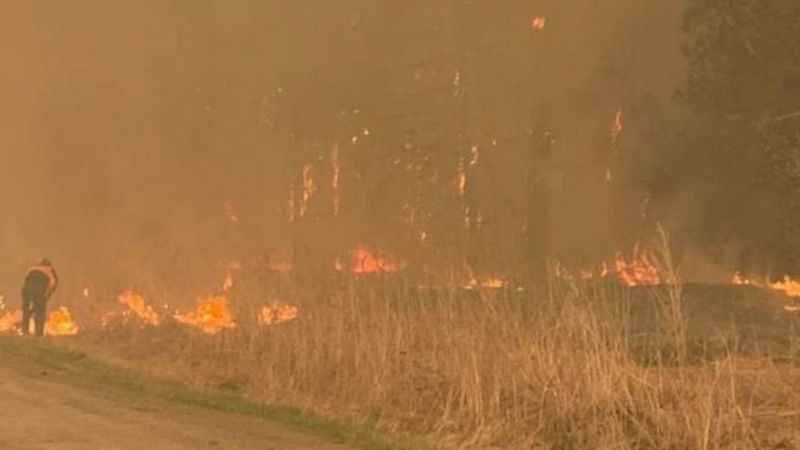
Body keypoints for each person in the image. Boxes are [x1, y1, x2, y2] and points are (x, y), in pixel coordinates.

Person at [21, 258, 58, 336]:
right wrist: (46, 296)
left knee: (26, 311)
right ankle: (39, 333)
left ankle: (24, 331)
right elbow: (53, 283)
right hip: (39, 290)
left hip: (26, 290)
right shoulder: (50, 269)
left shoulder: (31, 269)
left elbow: (24, 282)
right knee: (40, 312)